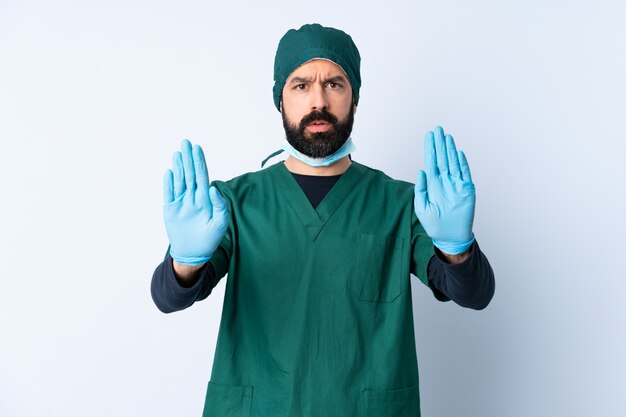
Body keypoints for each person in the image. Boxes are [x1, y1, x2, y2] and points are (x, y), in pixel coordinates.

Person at [151, 23, 495, 417]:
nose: (318, 101)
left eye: (334, 84)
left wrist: (457, 249)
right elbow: (167, 298)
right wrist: (185, 262)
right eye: (300, 85)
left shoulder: (402, 204)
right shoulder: (231, 204)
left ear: (355, 97)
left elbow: (475, 295)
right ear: (279, 100)